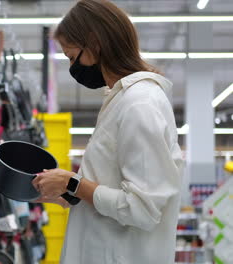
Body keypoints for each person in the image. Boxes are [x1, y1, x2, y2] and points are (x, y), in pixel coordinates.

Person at [31, 0, 183, 263]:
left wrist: (73, 183)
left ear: (94, 43)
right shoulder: (122, 100)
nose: (72, 68)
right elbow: (113, 187)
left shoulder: (140, 104)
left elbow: (142, 209)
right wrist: (71, 194)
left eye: (71, 56)